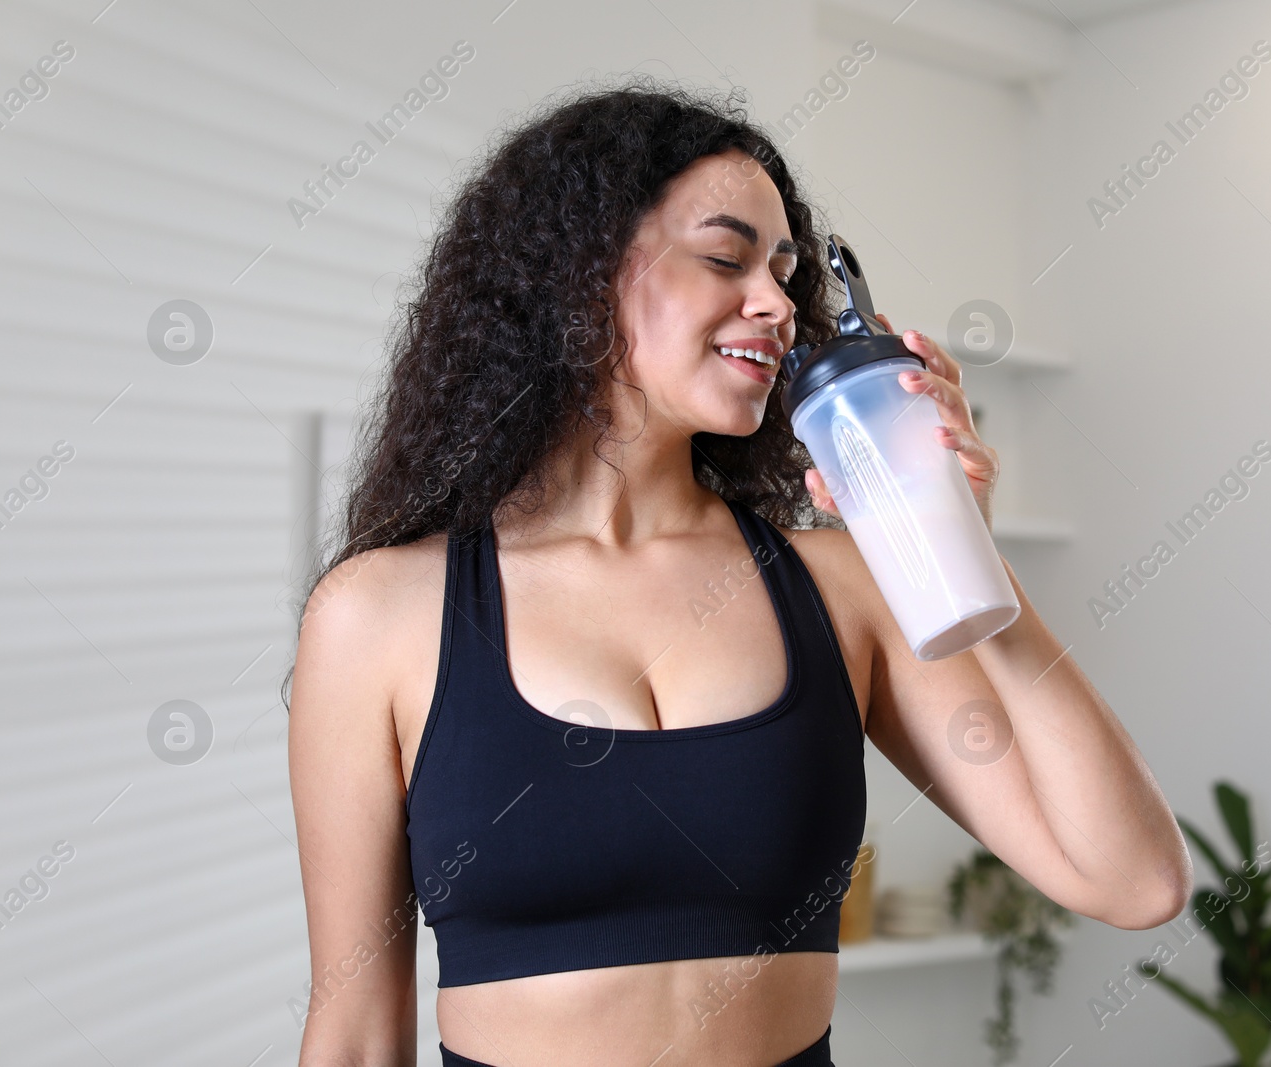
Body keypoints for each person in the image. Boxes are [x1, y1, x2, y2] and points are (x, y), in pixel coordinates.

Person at [283, 78, 1191, 1067]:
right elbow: (358, 1033)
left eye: (786, 272)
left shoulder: (842, 587)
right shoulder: (380, 615)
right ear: (580, 272)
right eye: (726, 257)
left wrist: (971, 566)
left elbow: (1135, 879)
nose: (775, 304)